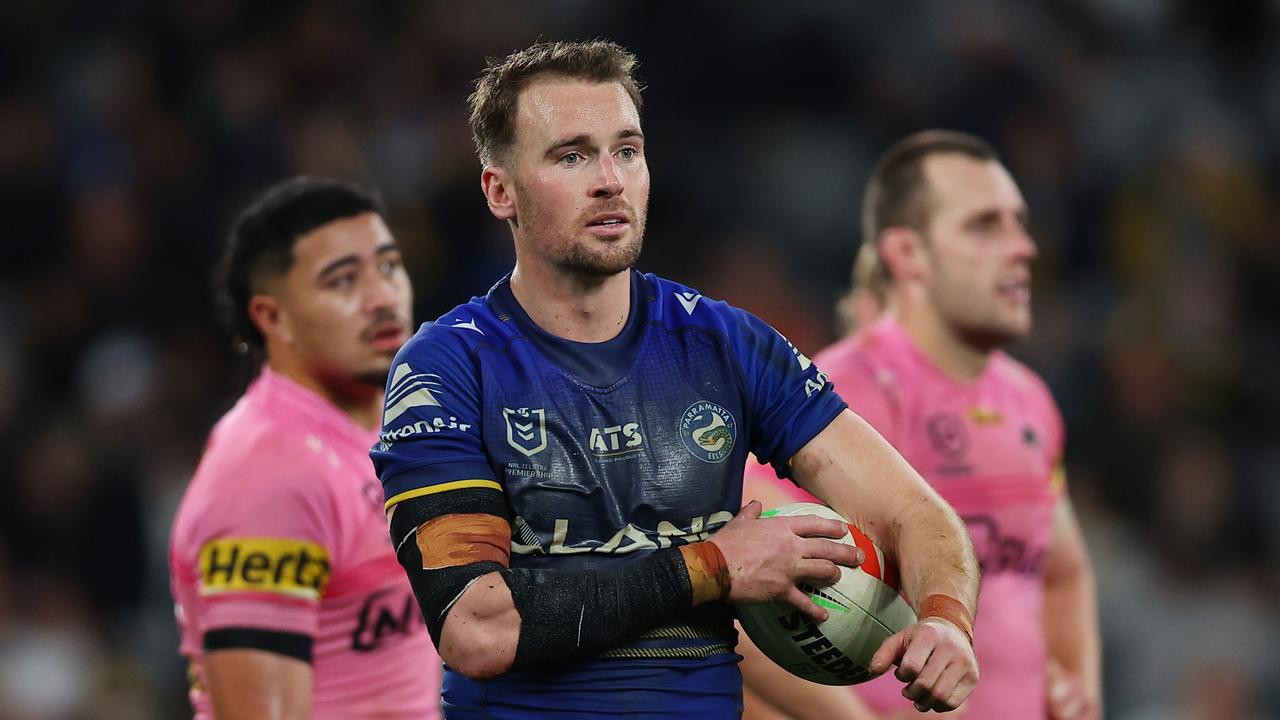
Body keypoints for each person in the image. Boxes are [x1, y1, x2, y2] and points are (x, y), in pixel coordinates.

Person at [372, 41, 980, 719]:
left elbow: (915, 513)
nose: (610, 179)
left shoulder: (724, 343)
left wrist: (947, 620)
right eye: (571, 155)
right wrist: (712, 567)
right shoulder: (447, 369)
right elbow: (479, 630)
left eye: (627, 150)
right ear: (500, 191)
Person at [738, 130, 1102, 719]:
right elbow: (745, 604)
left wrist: (1078, 692)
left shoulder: (1028, 400)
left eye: (1019, 222)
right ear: (907, 254)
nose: (1023, 247)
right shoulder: (838, 396)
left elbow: (1061, 573)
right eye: (985, 226)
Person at [169, 176, 443, 719]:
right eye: (343, 281)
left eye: (388, 267)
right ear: (272, 317)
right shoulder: (269, 474)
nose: (381, 298)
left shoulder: (411, 419)